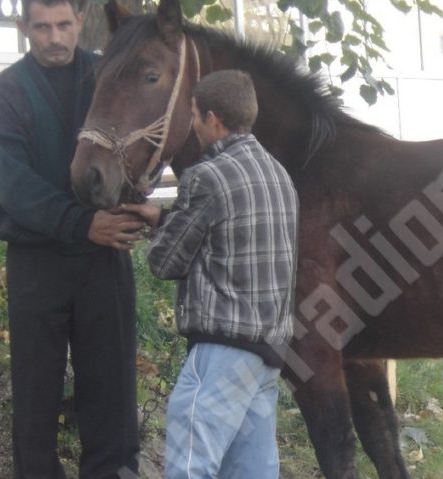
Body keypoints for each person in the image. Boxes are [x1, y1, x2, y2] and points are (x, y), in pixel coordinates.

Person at [0, 0, 144, 477]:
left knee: (113, 392)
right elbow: (16, 188)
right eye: (41, 27)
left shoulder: (107, 75)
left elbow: (139, 141)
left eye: (62, 25)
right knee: (36, 394)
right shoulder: (4, 92)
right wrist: (81, 222)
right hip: (38, 261)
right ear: (23, 28)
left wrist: (137, 189)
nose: (54, 37)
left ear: (79, 22)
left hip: (104, 258)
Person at [123, 69, 298, 479]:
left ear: (213, 120)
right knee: (252, 470)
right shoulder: (278, 174)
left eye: (196, 116)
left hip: (222, 348)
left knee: (190, 465)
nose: (194, 125)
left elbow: (166, 262)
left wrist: (158, 229)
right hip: (268, 351)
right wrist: (165, 217)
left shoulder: (206, 176)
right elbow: (229, 236)